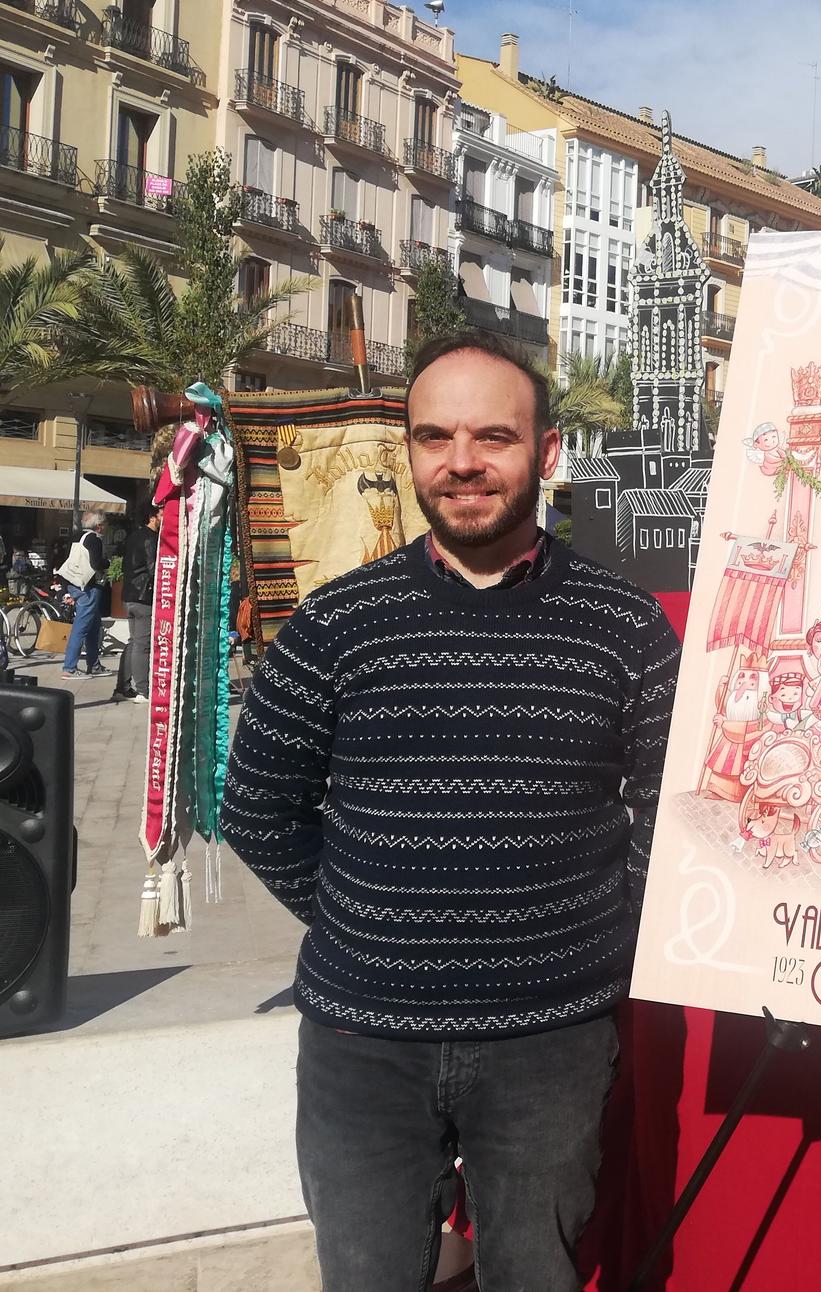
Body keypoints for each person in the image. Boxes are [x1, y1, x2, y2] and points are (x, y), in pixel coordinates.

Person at [220, 328, 681, 1292]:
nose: (462, 463)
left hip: (550, 1044)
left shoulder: (625, 628)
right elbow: (258, 809)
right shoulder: (335, 626)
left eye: (493, 438)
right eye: (435, 438)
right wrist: (369, 919)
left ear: (547, 453)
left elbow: (670, 813)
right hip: (363, 1048)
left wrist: (595, 936)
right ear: (411, 453)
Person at [111, 504, 160, 702]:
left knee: (133, 643)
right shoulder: (150, 538)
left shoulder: (134, 536)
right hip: (143, 597)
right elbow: (153, 569)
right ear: (152, 516)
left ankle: (122, 687)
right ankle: (143, 690)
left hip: (129, 595)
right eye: (162, 512)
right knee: (142, 645)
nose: (165, 515)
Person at [58, 512, 111, 678]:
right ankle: (69, 667)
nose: (106, 527)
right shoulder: (94, 539)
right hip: (88, 586)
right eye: (105, 524)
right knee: (81, 627)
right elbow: (96, 563)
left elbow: (67, 558)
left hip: (74, 583)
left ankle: (94, 664)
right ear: (99, 525)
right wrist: (108, 562)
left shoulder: (76, 536)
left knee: (93, 627)